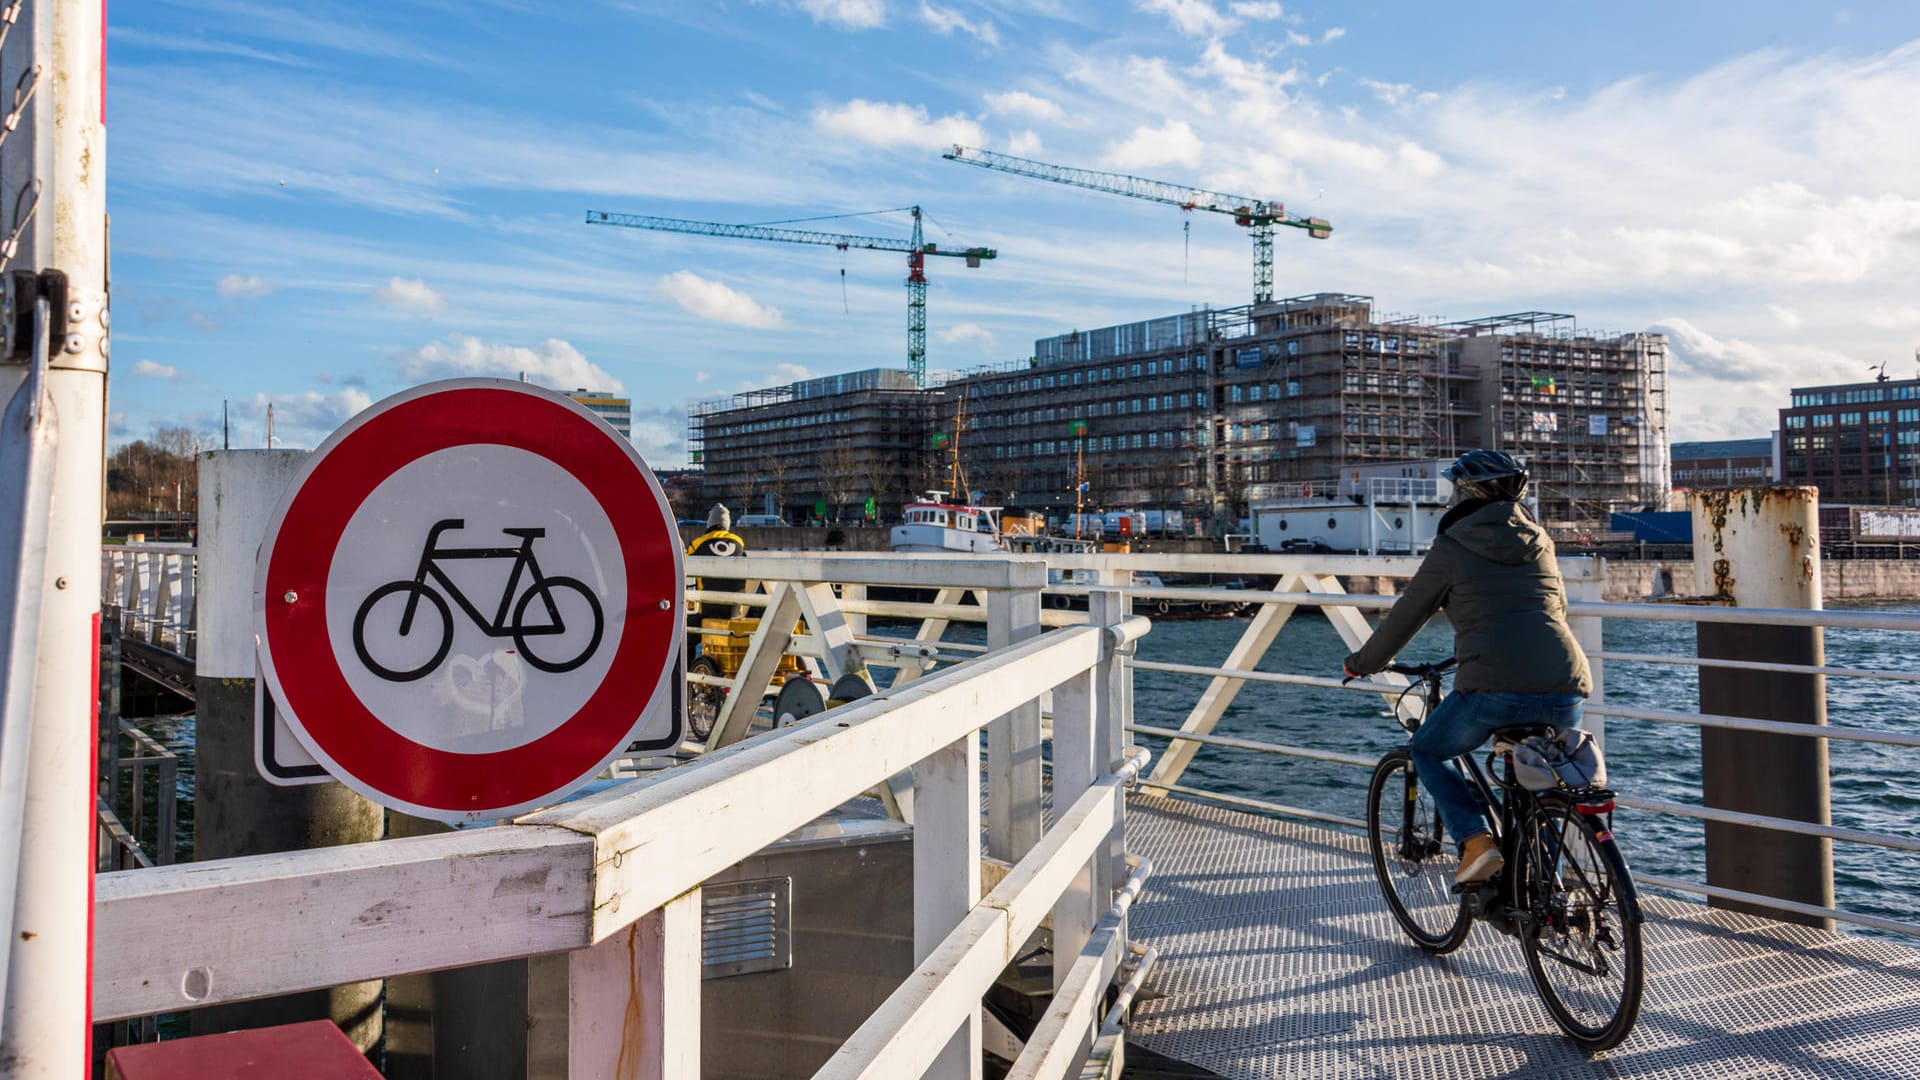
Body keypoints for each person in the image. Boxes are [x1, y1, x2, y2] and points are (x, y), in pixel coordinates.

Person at [1341, 450, 1592, 886]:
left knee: (1428, 750)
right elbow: (1554, 609)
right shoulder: (1540, 540)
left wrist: (1363, 663)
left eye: (1455, 489)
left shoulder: (1452, 546)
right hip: (1565, 683)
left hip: (1494, 686)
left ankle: (1475, 841)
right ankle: (1542, 888)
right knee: (1545, 784)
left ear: (1467, 493)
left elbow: (1408, 615)